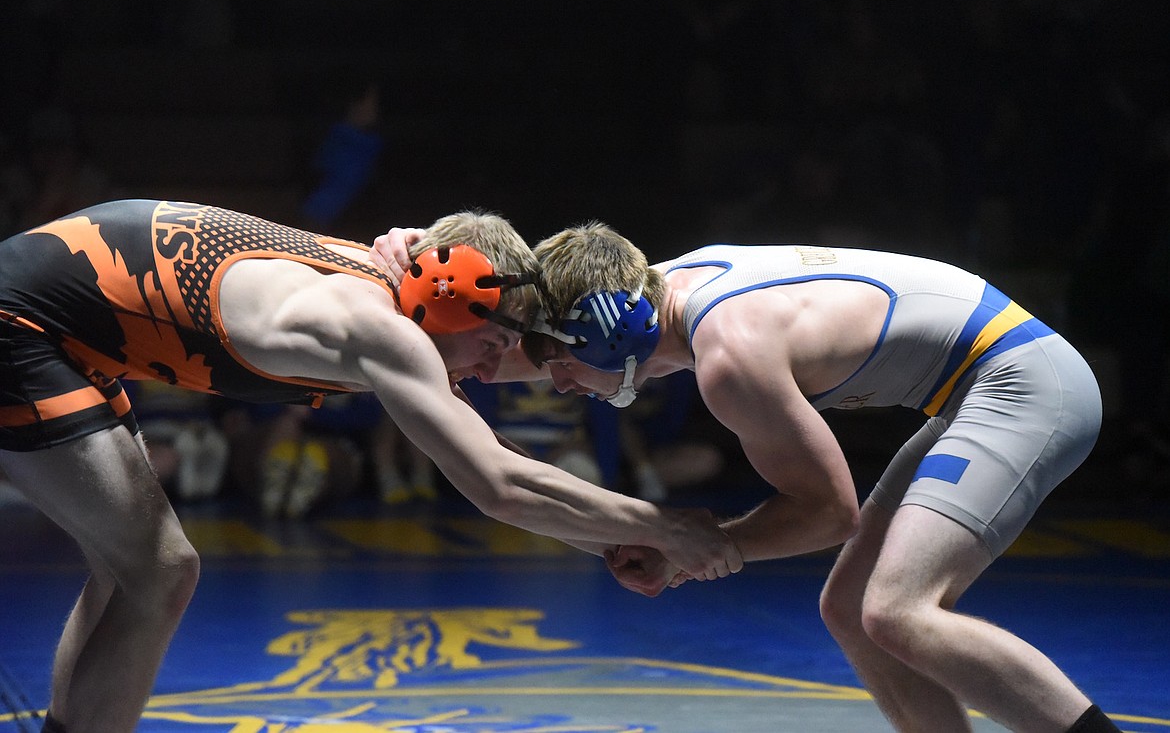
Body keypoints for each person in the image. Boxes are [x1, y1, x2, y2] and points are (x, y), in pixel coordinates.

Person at [0, 200, 741, 733]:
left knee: (129, 569)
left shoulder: (395, 294)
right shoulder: (378, 329)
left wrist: (611, 540)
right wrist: (668, 527)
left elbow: (492, 458)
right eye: (495, 344)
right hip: (23, 320)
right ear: (453, 294)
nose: (494, 369)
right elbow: (498, 485)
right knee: (160, 570)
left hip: (61, 320)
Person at [372, 222, 1117, 733]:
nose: (555, 383)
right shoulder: (639, 295)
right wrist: (416, 260)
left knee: (896, 610)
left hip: (1023, 384)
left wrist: (699, 549)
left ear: (612, 338)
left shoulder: (730, 357)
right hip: (977, 386)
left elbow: (830, 515)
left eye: (564, 364)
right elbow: (498, 347)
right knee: (853, 609)